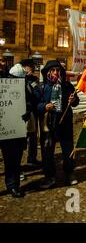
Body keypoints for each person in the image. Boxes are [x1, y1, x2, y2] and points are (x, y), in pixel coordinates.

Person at [36, 60, 79, 188]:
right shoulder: (41, 87)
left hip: (64, 122)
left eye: (58, 70)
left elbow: (75, 102)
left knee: (68, 150)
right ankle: (50, 177)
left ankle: (70, 173)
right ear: (48, 72)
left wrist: (73, 99)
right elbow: (35, 105)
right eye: (53, 70)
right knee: (47, 152)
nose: (56, 73)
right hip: (48, 124)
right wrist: (44, 106)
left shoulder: (67, 86)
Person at [0, 64, 27, 197]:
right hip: (5, 128)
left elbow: (32, 102)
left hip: (18, 130)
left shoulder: (26, 88)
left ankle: (13, 185)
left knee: (15, 159)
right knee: (8, 159)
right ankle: (11, 184)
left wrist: (28, 111)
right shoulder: (3, 86)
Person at [19, 59, 41, 167]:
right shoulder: (16, 78)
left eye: (31, 66)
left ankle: (32, 158)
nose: (30, 68)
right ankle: (19, 164)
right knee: (20, 138)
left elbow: (37, 93)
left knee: (32, 136)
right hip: (19, 112)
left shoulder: (33, 79)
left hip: (32, 111)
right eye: (28, 66)